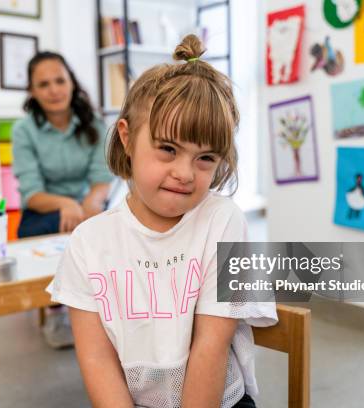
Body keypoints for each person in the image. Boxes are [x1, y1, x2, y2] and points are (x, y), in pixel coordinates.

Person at [46, 35, 277, 407]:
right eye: (167, 149)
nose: (185, 173)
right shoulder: (88, 243)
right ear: (126, 137)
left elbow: (210, 346)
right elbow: (97, 359)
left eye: (205, 158)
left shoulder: (223, 221)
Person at [12, 51, 114, 348]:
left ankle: (102, 304)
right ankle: (58, 308)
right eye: (43, 84)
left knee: (110, 234)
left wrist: (90, 205)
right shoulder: (24, 131)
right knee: (45, 234)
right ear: (32, 91)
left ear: (72, 83)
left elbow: (101, 180)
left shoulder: (94, 125)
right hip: (46, 210)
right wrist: (65, 205)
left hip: (88, 205)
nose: (54, 89)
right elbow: (31, 192)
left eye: (60, 80)